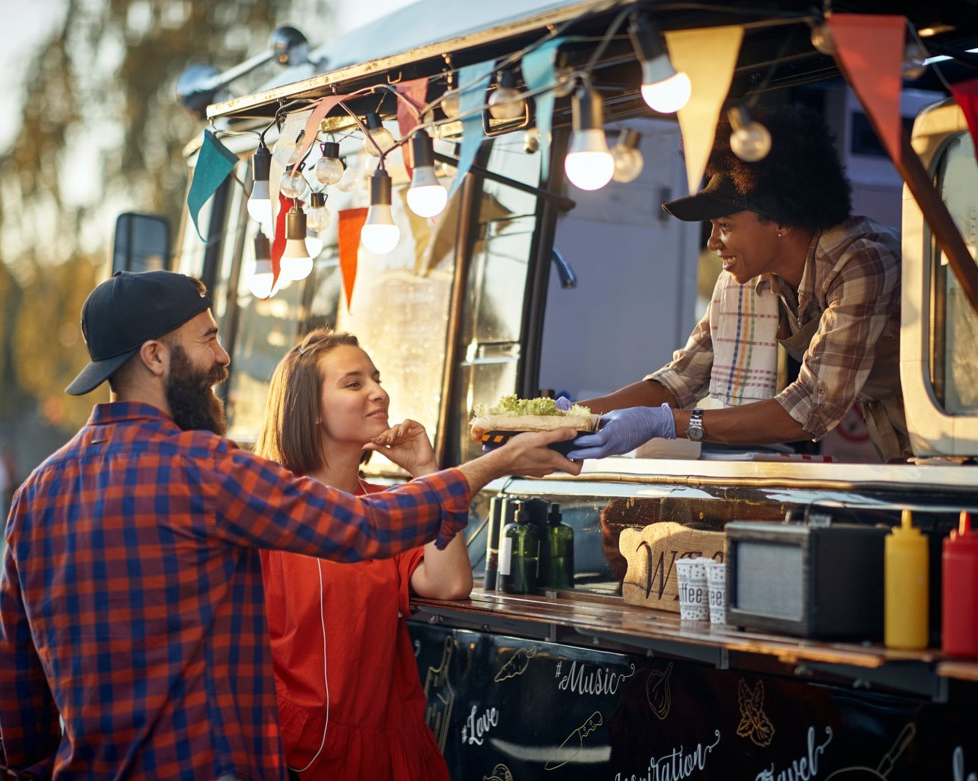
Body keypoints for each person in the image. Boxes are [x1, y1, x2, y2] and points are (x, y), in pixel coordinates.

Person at [0, 270, 580, 779]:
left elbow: (19, 705)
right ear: (155, 357)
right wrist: (497, 461)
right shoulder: (202, 468)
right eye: (208, 339)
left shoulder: (33, 497)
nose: (224, 358)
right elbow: (366, 528)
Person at [568, 104, 909, 464]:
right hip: (889, 429)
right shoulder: (748, 278)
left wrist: (667, 424)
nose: (713, 242)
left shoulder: (863, 260)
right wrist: (573, 416)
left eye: (725, 226)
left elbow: (812, 407)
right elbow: (681, 379)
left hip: (949, 423)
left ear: (782, 220)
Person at [256, 329, 469, 780]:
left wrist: (428, 475)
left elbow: (450, 584)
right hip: (292, 748)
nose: (379, 392)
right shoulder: (268, 507)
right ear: (309, 409)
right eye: (354, 383)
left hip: (383, 745)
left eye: (376, 378)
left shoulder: (386, 505)